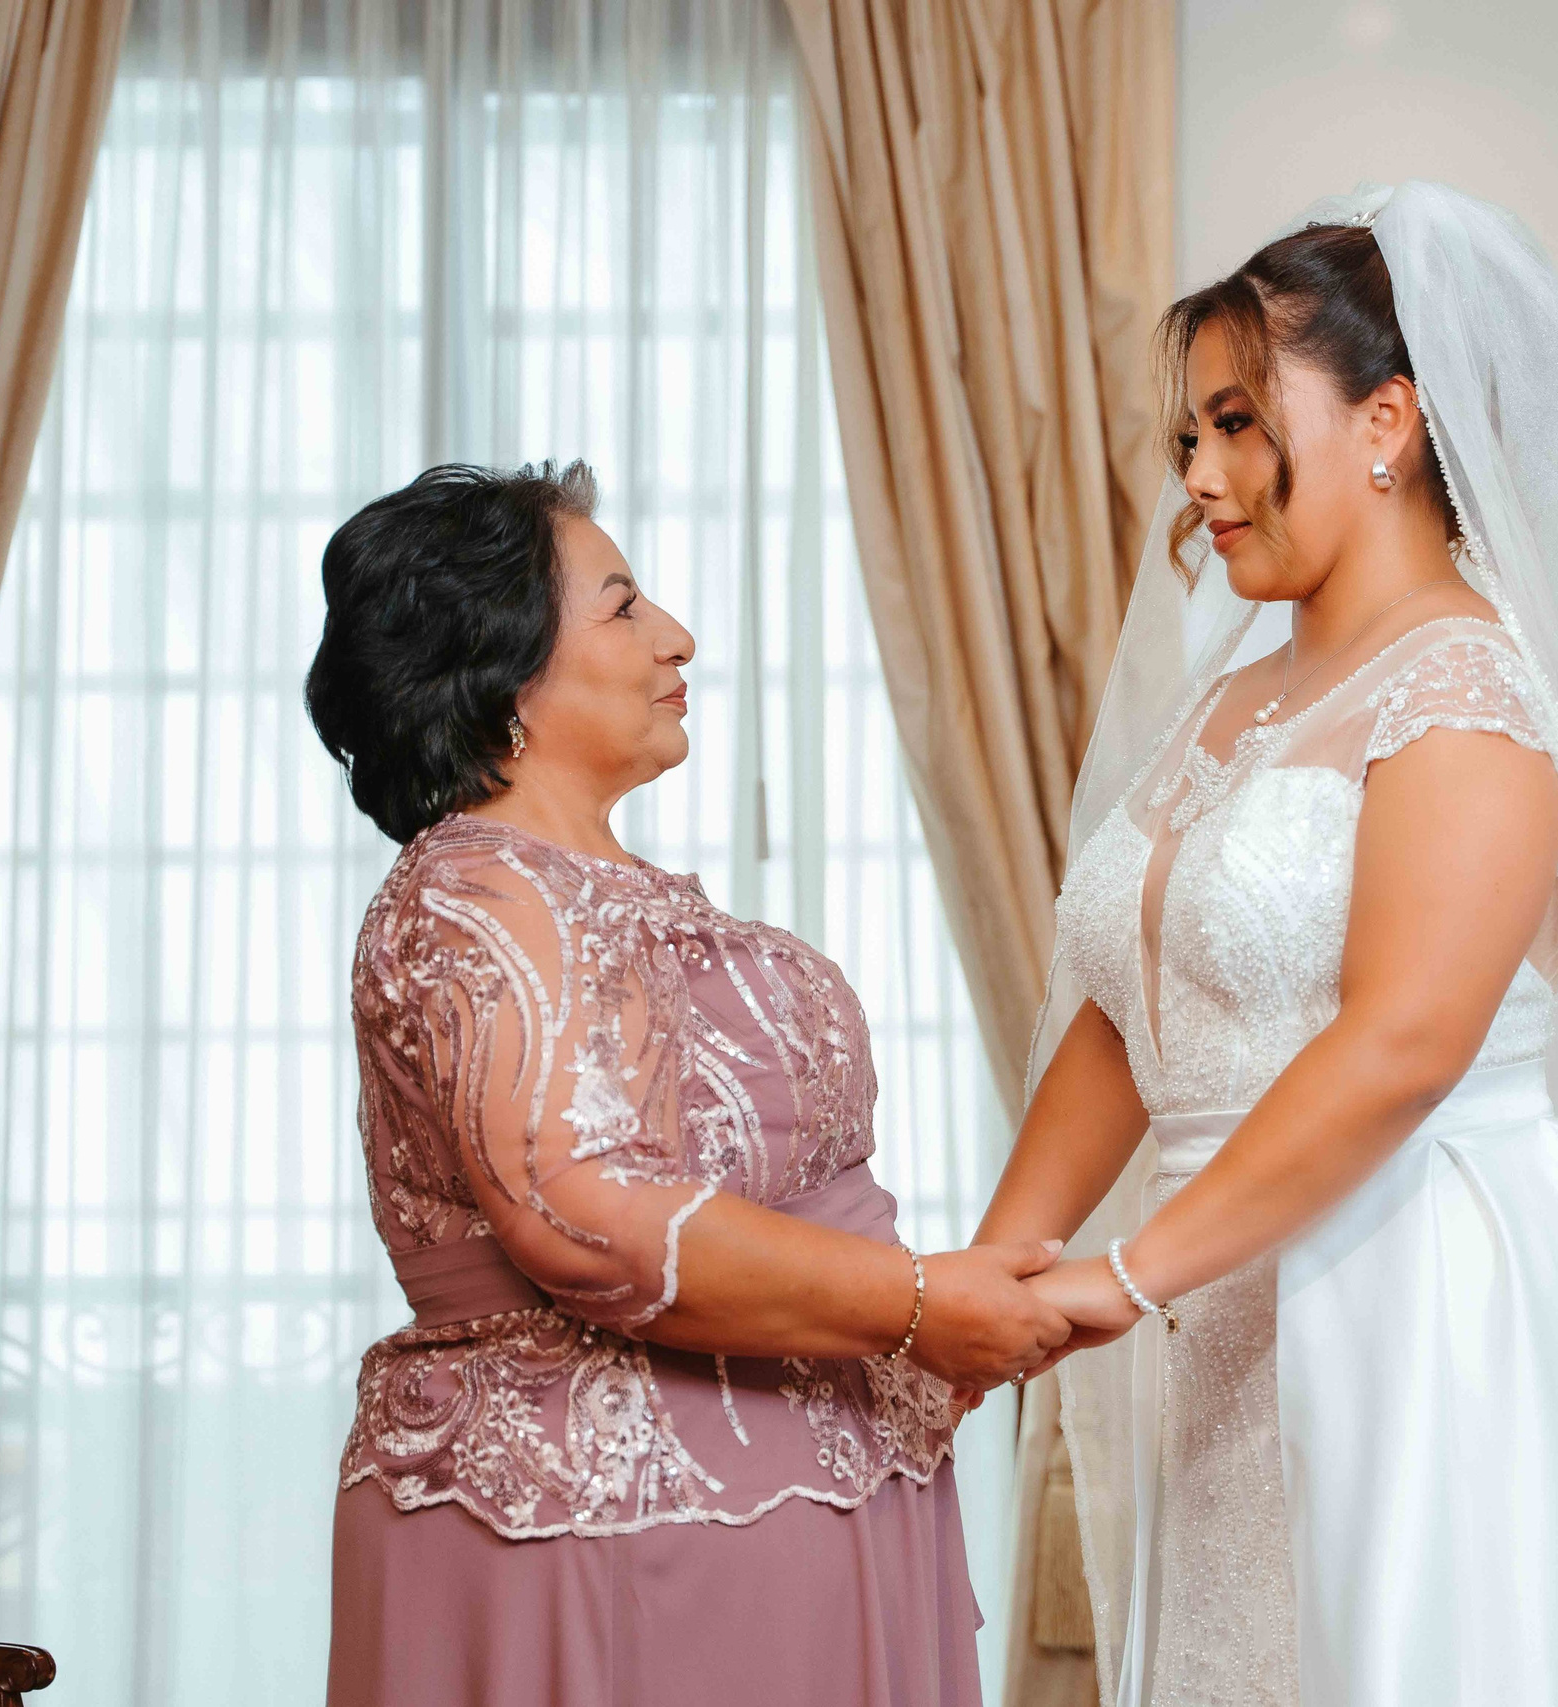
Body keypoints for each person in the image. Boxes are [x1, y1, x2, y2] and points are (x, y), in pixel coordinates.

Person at [977, 183, 1558, 1705]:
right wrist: (1003, 1265)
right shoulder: (1229, 696)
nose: (1202, 475)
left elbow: (1400, 1045)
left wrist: (1127, 1267)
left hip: (1425, 1286)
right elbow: (1133, 1007)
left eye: (1242, 423)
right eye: (1189, 435)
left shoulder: (1468, 689)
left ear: (1388, 422)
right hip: (1224, 1287)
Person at [307, 460, 1064, 1706]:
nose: (676, 636)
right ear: (504, 676)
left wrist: (937, 1320)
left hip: (806, 1514)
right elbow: (587, 1218)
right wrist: (921, 1303)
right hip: (618, 1538)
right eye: (620, 606)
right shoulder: (473, 897)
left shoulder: (597, 893)